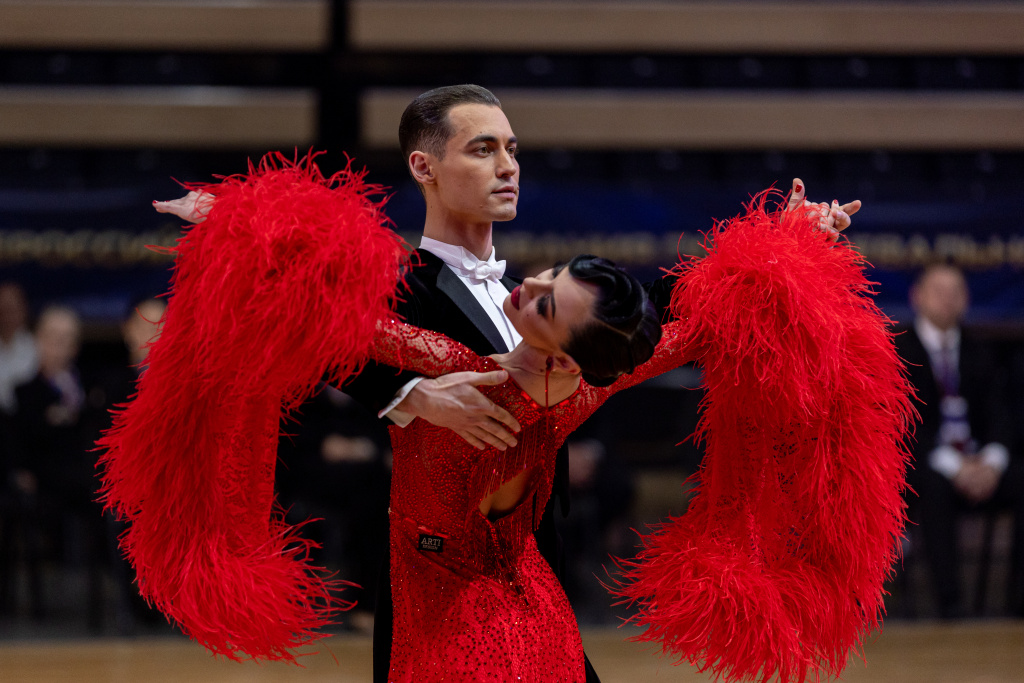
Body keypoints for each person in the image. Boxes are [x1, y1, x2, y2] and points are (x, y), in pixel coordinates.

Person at [154, 84, 861, 681]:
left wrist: (789, 238)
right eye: (483, 149)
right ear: (424, 166)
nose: (507, 166)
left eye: (512, 149)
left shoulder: (545, 303)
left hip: (530, 575)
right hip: (430, 580)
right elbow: (317, 329)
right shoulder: (399, 284)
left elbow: (653, 314)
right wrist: (403, 397)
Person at [895, 263, 1024, 618]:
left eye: (955, 292)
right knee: (932, 484)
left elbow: (1002, 416)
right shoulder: (897, 351)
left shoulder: (980, 350)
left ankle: (1018, 602)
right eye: (938, 291)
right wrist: (956, 468)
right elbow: (902, 428)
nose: (947, 300)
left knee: (1019, 476)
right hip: (924, 466)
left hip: (979, 463)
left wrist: (992, 462)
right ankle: (950, 605)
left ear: (967, 300)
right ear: (917, 297)